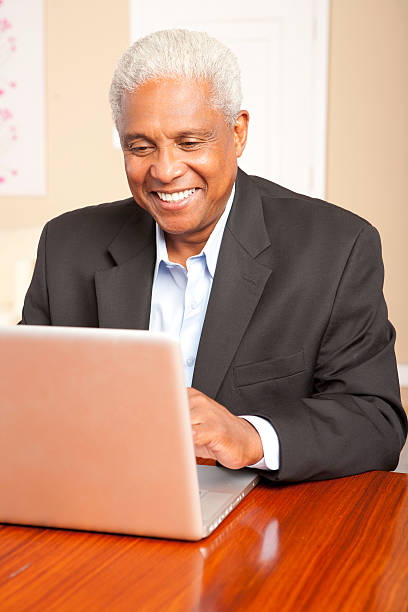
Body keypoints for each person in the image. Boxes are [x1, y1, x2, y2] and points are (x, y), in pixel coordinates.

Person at [21, 29, 406, 482]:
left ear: (237, 132)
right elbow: (25, 399)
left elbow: (375, 421)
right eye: (140, 147)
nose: (164, 171)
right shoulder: (66, 245)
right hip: (99, 503)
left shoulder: (337, 246)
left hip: (260, 527)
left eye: (190, 143)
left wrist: (250, 436)